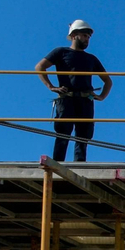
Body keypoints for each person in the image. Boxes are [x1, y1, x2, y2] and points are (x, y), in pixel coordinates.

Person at [35, 20, 111, 162]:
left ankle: (80, 164)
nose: (87, 39)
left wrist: (101, 97)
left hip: (85, 100)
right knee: (63, 133)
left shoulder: (91, 58)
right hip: (66, 98)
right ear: (74, 35)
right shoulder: (61, 52)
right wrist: (51, 87)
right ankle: (58, 163)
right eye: (84, 35)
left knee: (83, 135)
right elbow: (40, 67)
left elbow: (108, 81)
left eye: (88, 37)